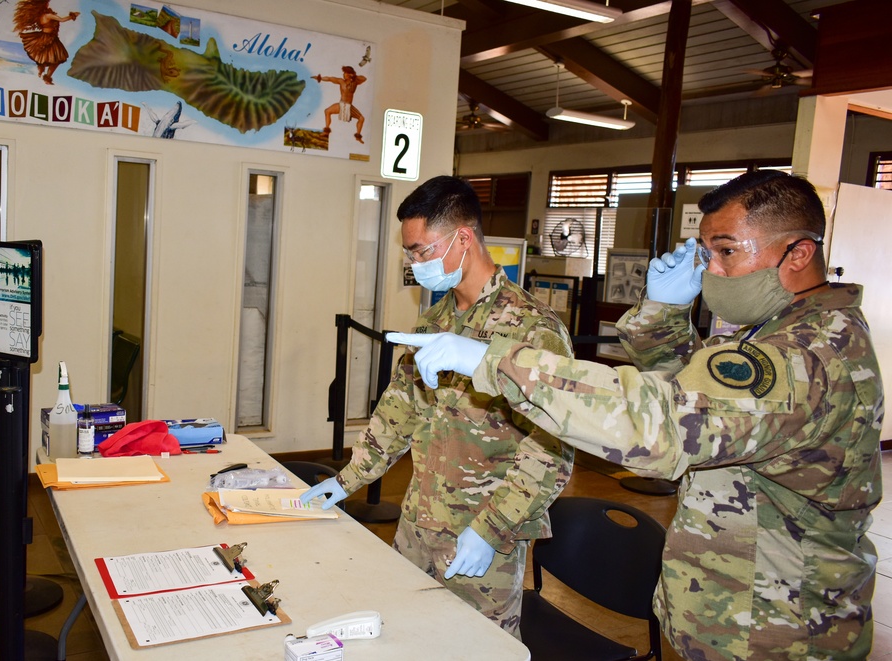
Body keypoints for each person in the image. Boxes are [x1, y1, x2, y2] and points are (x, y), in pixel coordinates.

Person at [392, 170, 884, 660]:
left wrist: (493, 361)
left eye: (727, 251)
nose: (710, 268)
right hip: (731, 612)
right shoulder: (770, 334)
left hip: (785, 630)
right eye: (706, 252)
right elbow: (693, 397)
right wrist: (663, 314)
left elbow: (664, 427)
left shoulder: (812, 356)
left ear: (797, 253)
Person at [301, 175, 574, 636]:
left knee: (476, 648)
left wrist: (492, 529)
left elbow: (551, 451)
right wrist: (347, 480)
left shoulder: (532, 329)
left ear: (463, 239)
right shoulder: (436, 319)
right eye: (408, 253)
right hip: (418, 524)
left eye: (421, 250)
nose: (414, 264)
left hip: (482, 540)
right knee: (407, 639)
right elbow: (400, 410)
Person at [13, 0, 80, 85]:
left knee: (46, 58)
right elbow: (61, 19)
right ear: (44, 4)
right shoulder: (47, 15)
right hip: (49, 39)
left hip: (45, 37)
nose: (48, 4)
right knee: (56, 58)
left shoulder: (40, 15)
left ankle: (41, 73)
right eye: (47, 2)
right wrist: (73, 15)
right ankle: (46, 77)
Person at [313, 66, 367, 143]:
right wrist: (320, 78)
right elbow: (330, 79)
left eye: (346, 73)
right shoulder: (341, 81)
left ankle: (358, 136)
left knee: (361, 118)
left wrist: (354, 76)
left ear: (350, 74)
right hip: (341, 105)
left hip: (349, 106)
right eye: (344, 73)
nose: (344, 74)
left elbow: (364, 79)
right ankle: (326, 131)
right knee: (327, 111)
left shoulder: (355, 82)